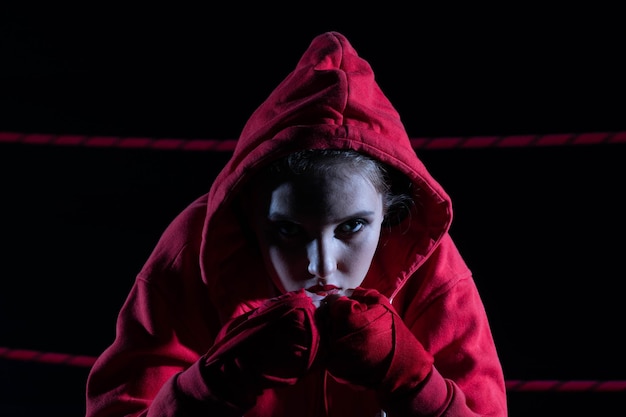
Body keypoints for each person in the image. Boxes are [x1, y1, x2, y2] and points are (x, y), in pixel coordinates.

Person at [85, 31, 507, 417]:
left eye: (352, 227)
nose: (320, 266)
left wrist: (413, 383)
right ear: (248, 215)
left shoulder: (428, 263)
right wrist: (214, 384)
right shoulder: (193, 250)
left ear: (389, 212)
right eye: (288, 230)